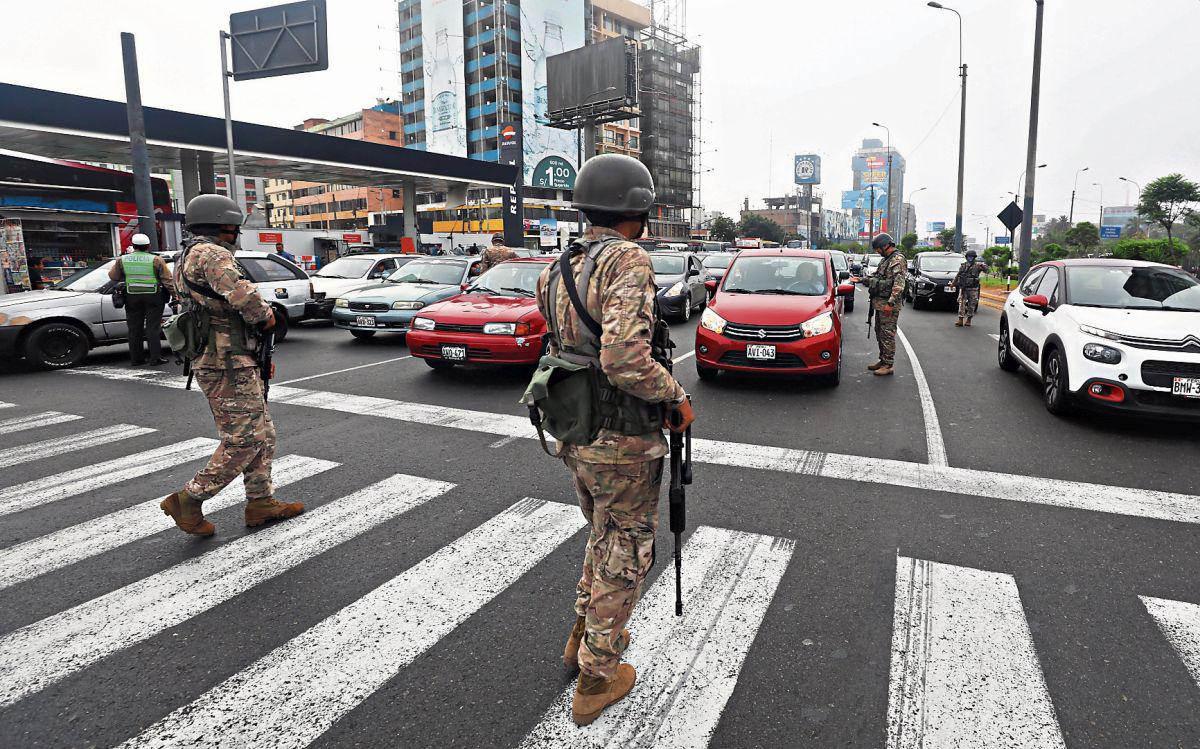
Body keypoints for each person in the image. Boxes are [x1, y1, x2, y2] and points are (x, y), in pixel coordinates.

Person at [535, 154, 695, 727]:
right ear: (640, 208)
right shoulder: (627, 259)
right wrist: (674, 395)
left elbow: (563, 341)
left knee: (604, 537)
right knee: (627, 546)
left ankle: (585, 633)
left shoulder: (559, 265)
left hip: (575, 430)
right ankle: (598, 675)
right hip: (622, 436)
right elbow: (625, 358)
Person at [158, 194, 303, 537]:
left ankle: (261, 501)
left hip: (227, 357)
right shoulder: (212, 254)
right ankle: (190, 499)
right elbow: (246, 298)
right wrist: (266, 318)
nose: (237, 233)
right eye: (235, 227)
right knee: (244, 439)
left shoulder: (187, 254)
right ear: (225, 225)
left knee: (262, 433)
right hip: (226, 360)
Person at [108, 233, 174, 366]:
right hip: (154, 296)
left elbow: (113, 276)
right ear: (148, 246)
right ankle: (155, 358)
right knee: (153, 327)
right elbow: (167, 280)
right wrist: (176, 294)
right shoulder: (156, 259)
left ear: (133, 246)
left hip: (132, 297)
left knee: (134, 328)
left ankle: (137, 359)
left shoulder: (122, 260)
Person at [865, 232, 907, 376]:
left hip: (889, 304)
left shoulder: (897, 259)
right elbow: (877, 277)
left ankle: (888, 364)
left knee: (887, 334)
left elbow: (898, 285)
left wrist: (890, 303)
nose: (877, 251)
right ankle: (883, 360)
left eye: (878, 248)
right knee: (879, 332)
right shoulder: (886, 260)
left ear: (885, 245)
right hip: (880, 303)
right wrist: (862, 279)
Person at [954, 249, 987, 327]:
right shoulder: (963, 266)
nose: (970, 258)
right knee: (961, 303)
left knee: (972, 304)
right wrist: (953, 283)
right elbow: (958, 275)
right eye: (969, 256)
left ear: (974, 257)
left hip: (973, 288)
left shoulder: (978, 266)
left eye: (972, 257)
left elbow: (986, 271)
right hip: (964, 288)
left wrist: (983, 266)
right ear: (966, 257)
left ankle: (969, 319)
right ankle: (960, 319)